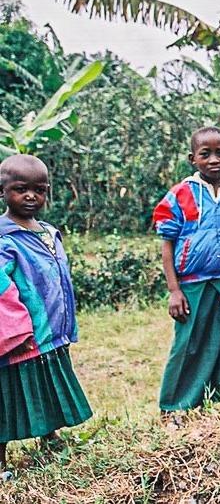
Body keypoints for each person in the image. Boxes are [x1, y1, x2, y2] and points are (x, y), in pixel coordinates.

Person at [0, 154, 92, 478]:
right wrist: (16, 330)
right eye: (20, 189)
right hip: (21, 336)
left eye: (39, 190)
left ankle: (49, 437)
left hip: (50, 331)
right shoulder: (3, 238)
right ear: (3, 191)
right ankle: (1, 460)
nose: (30, 196)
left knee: (48, 385)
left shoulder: (49, 232)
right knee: (9, 395)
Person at [152, 126, 220, 413]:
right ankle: (174, 405)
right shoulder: (180, 195)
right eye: (205, 154)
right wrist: (174, 290)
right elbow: (167, 244)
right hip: (192, 284)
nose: (213, 160)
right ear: (192, 158)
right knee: (189, 343)